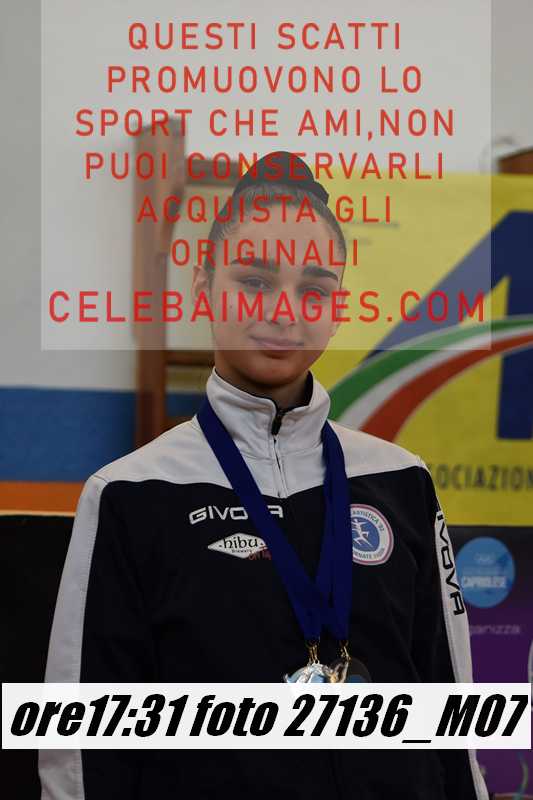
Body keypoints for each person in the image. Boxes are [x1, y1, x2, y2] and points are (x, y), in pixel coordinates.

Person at [39, 151, 488, 799]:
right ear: (203, 286)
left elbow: (451, 712)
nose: (284, 309)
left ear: (338, 305)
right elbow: (82, 748)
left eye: (313, 288)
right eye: (254, 280)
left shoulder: (403, 482)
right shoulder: (128, 494)